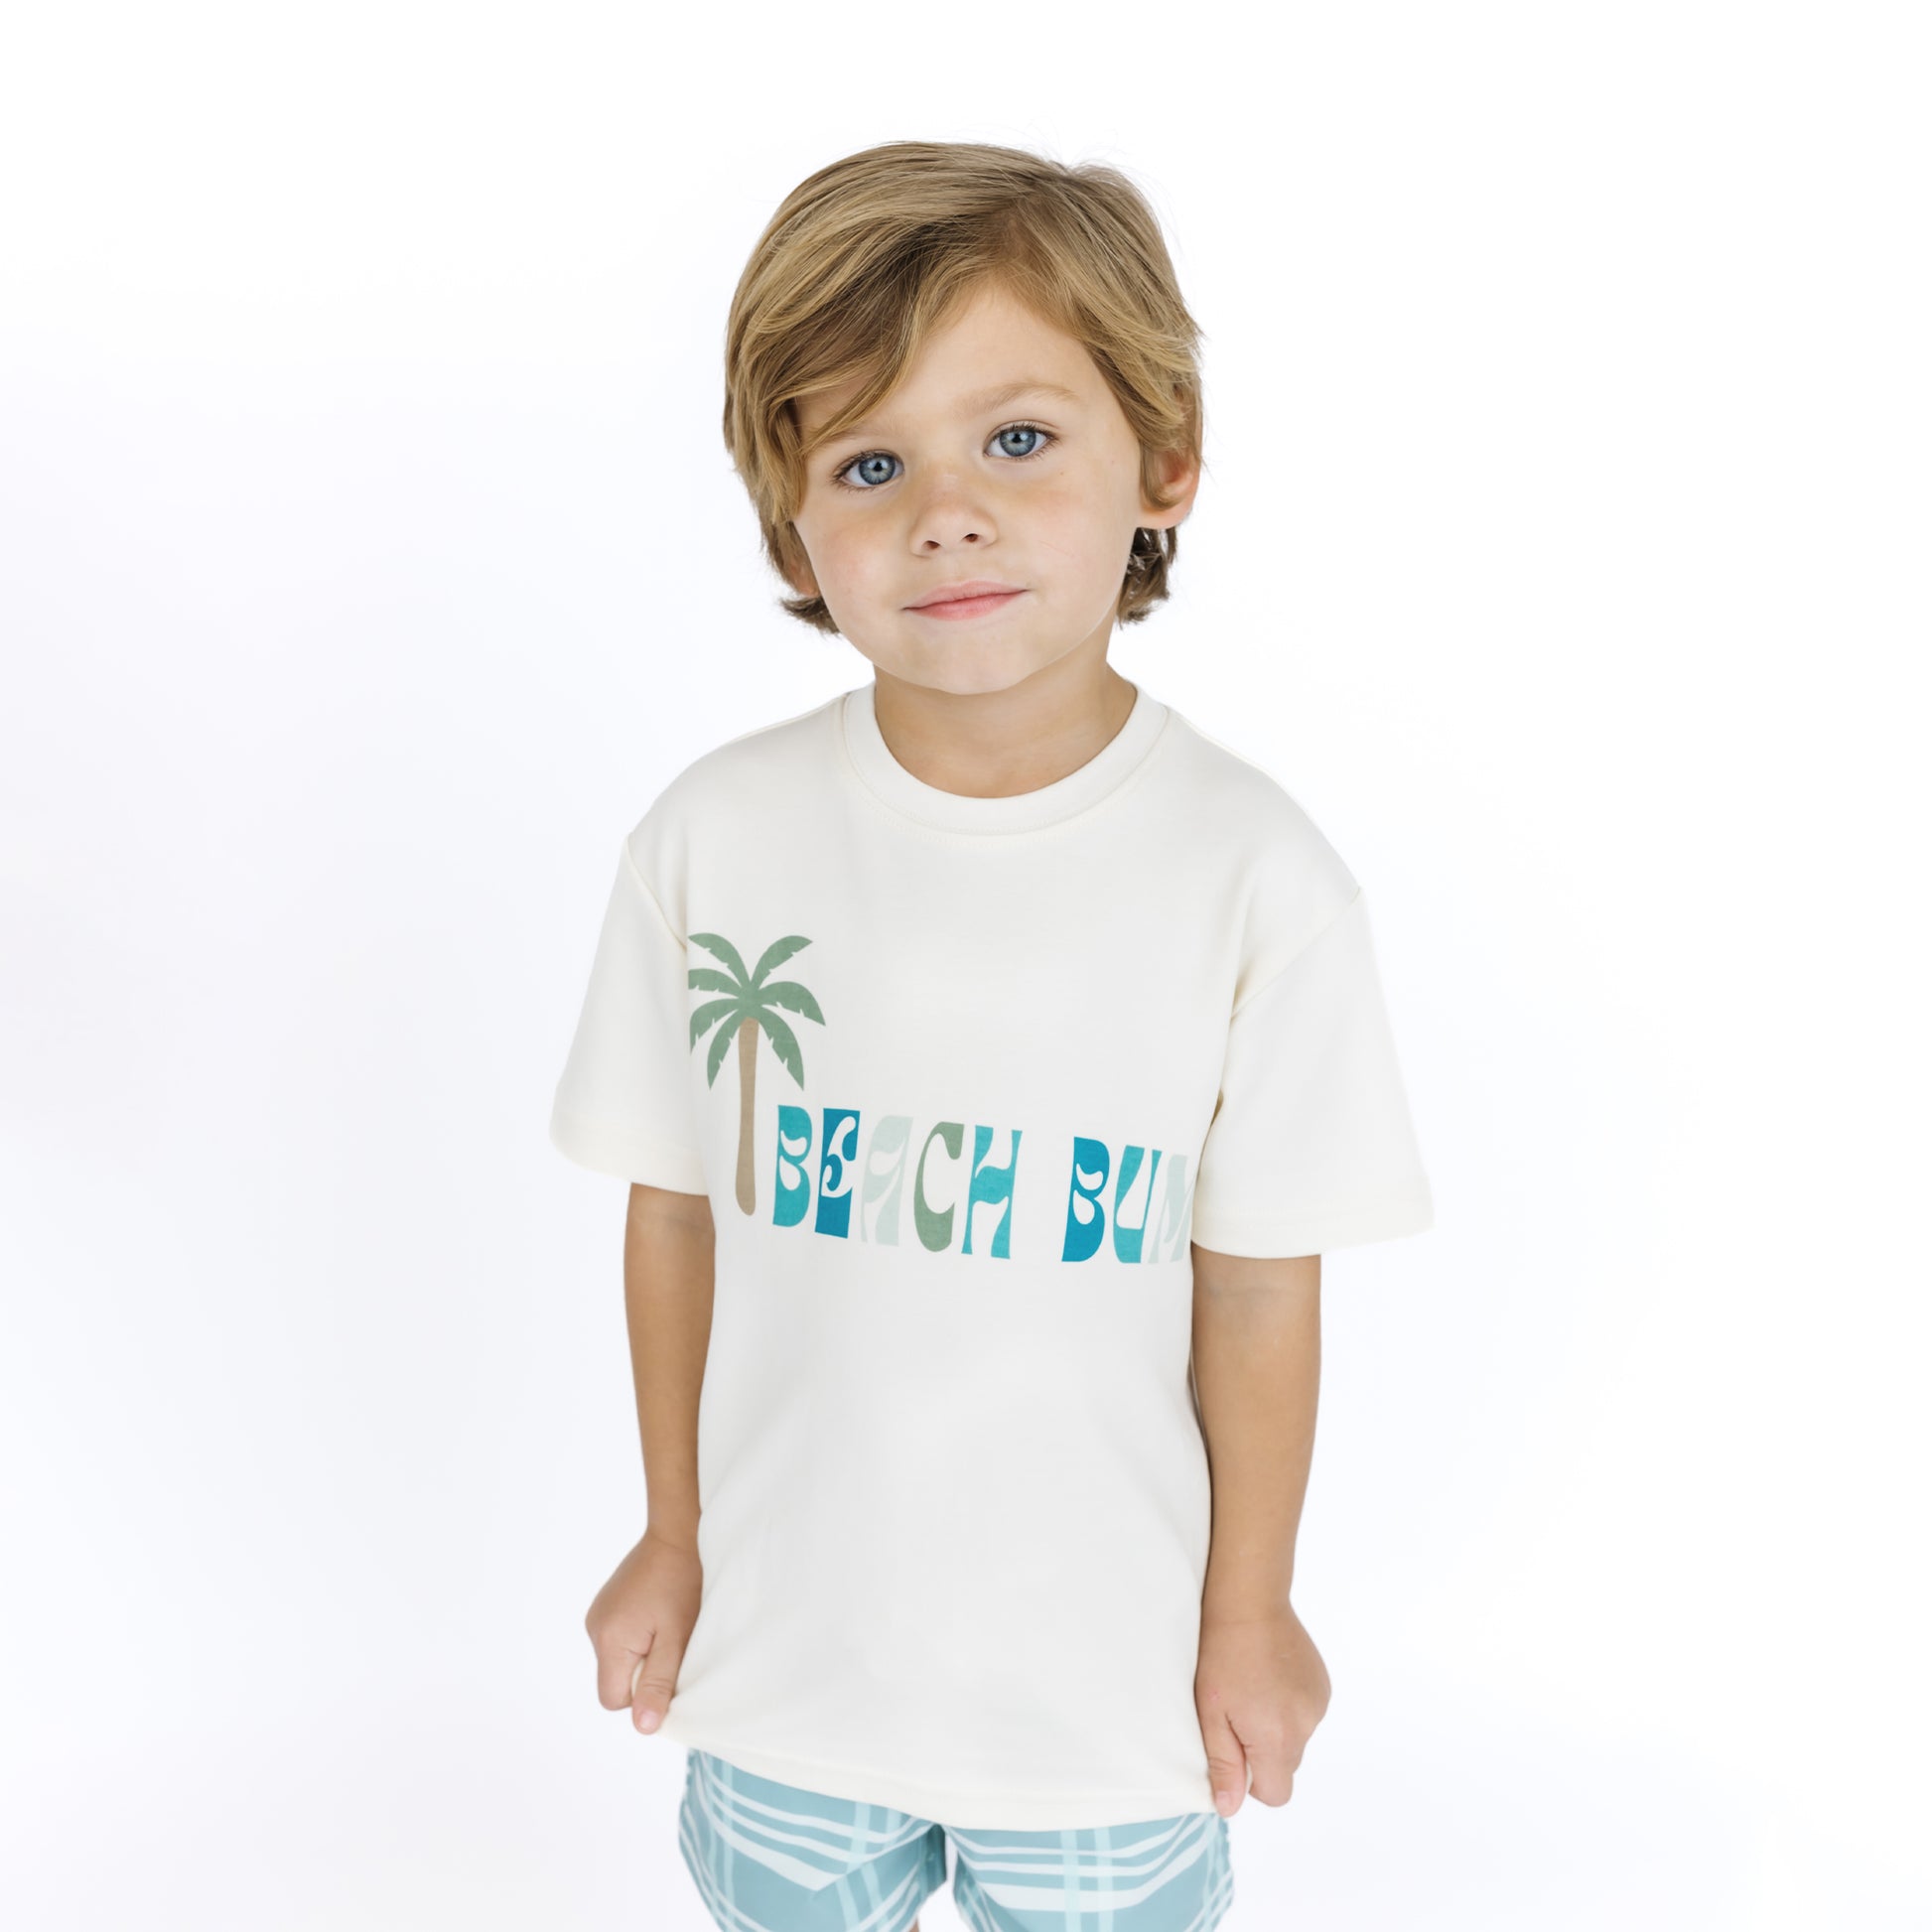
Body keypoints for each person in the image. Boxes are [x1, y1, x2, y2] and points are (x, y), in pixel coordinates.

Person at [549, 139, 1434, 1932]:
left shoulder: (1255, 877)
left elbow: (1258, 1288)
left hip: (1102, 1703)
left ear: (1163, 459)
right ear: (792, 526)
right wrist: (673, 1534)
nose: (944, 513)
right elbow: (675, 1211)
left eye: (1016, 438)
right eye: (869, 464)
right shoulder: (711, 841)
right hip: (789, 1669)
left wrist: (1248, 1609)